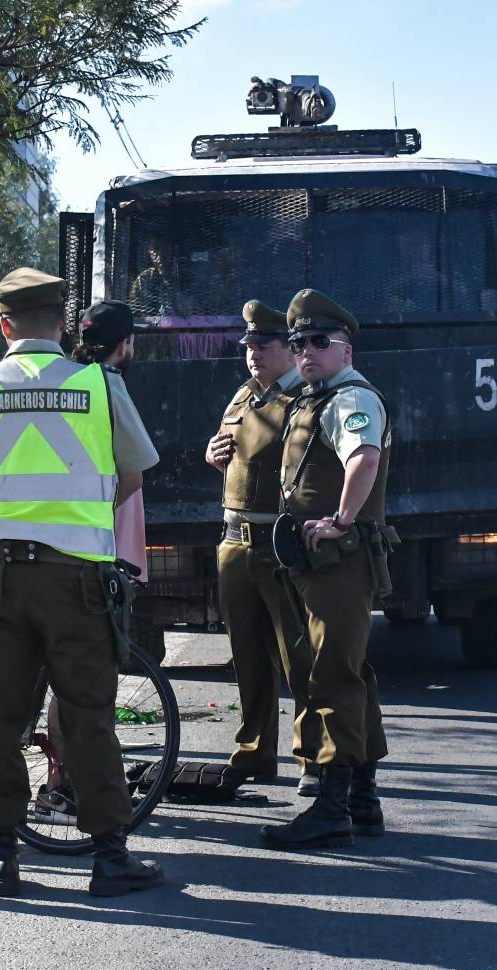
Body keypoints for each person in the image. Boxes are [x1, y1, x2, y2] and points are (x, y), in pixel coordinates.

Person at [0, 267, 164, 898]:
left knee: (0, 718)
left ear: (4, 324)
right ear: (62, 325)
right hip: (77, 580)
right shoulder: (98, 383)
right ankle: (109, 857)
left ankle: (0, 858)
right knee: (89, 716)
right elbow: (133, 475)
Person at [260, 288, 391, 850]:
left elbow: (364, 458)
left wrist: (340, 518)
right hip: (316, 563)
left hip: (339, 561)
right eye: (298, 343)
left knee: (332, 674)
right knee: (349, 669)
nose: (306, 351)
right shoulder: (316, 397)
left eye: (320, 341)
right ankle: (363, 795)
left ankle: (333, 805)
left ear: (346, 349)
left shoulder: (350, 400)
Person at [204, 300, 315, 788]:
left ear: (288, 351)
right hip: (234, 541)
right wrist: (212, 453)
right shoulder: (243, 397)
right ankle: (253, 752)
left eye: (263, 346)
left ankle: (313, 757)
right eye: (248, 346)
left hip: (276, 542)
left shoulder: (304, 402)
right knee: (246, 656)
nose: (253, 355)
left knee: (298, 657)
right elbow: (229, 451)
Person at [70, 300, 145, 578]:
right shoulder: (110, 384)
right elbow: (133, 478)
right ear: (124, 345)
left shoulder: (65, 384)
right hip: (101, 540)